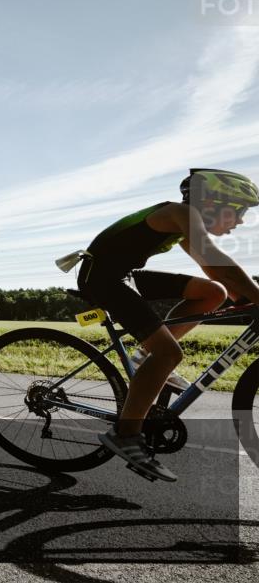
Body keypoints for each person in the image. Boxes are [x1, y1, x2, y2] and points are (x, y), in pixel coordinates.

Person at [72, 168, 259, 482]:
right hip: (102, 278)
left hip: (121, 273)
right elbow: (214, 258)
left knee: (215, 293)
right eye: (238, 211)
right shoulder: (178, 213)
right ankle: (126, 434)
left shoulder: (185, 222)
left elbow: (213, 271)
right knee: (169, 354)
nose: (240, 221)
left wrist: (246, 293)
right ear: (214, 202)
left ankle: (144, 357)